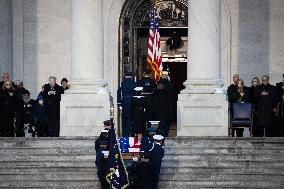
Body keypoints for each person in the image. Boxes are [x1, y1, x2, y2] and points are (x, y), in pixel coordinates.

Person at [117, 72, 136, 137]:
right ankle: (131, 133)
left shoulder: (122, 83)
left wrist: (119, 103)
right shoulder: (134, 83)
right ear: (131, 77)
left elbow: (119, 92)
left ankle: (125, 134)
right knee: (130, 118)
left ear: (125, 76)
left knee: (124, 118)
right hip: (132, 101)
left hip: (124, 101)